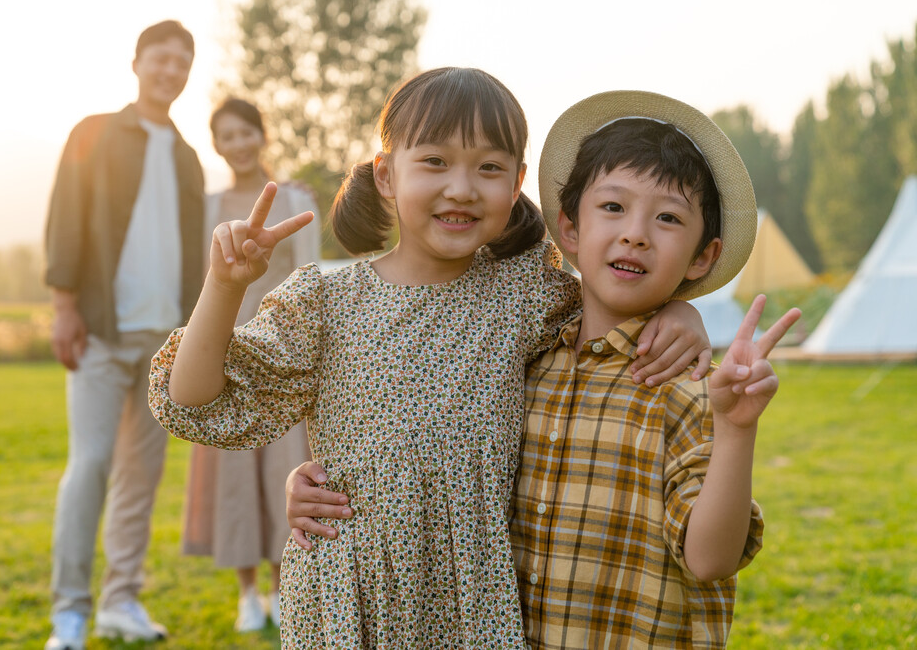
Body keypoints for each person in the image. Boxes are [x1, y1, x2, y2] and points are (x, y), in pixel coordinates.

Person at [148, 68, 709, 648]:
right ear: (387, 175)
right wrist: (224, 286)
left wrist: (679, 311)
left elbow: (613, 299)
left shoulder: (523, 293)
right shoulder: (326, 301)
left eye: (489, 168)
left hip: (473, 599)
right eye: (435, 162)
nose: (463, 188)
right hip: (351, 594)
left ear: (516, 183)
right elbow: (191, 397)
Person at [286, 90, 802, 648]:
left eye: (669, 218)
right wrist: (329, 482)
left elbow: (710, 559)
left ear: (703, 256)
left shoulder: (685, 386)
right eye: (612, 207)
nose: (635, 232)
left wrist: (737, 426)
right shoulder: (521, 357)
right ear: (569, 229)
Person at [42, 20, 204, 650]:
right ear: (136, 63)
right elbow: (65, 220)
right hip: (103, 333)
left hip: (167, 342)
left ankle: (121, 602)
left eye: (182, 63)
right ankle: (70, 615)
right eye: (161, 59)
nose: (171, 71)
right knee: (89, 467)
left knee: (142, 479)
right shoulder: (94, 133)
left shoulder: (189, 157)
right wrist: (64, 306)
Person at [181, 97, 320, 632]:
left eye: (246, 133)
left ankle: (285, 587)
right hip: (225, 355)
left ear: (262, 136)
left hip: (281, 358)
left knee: (286, 468)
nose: (238, 144)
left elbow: (309, 279)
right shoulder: (209, 207)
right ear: (217, 145)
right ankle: (246, 593)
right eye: (226, 137)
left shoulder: (294, 198)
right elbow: (204, 283)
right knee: (233, 476)